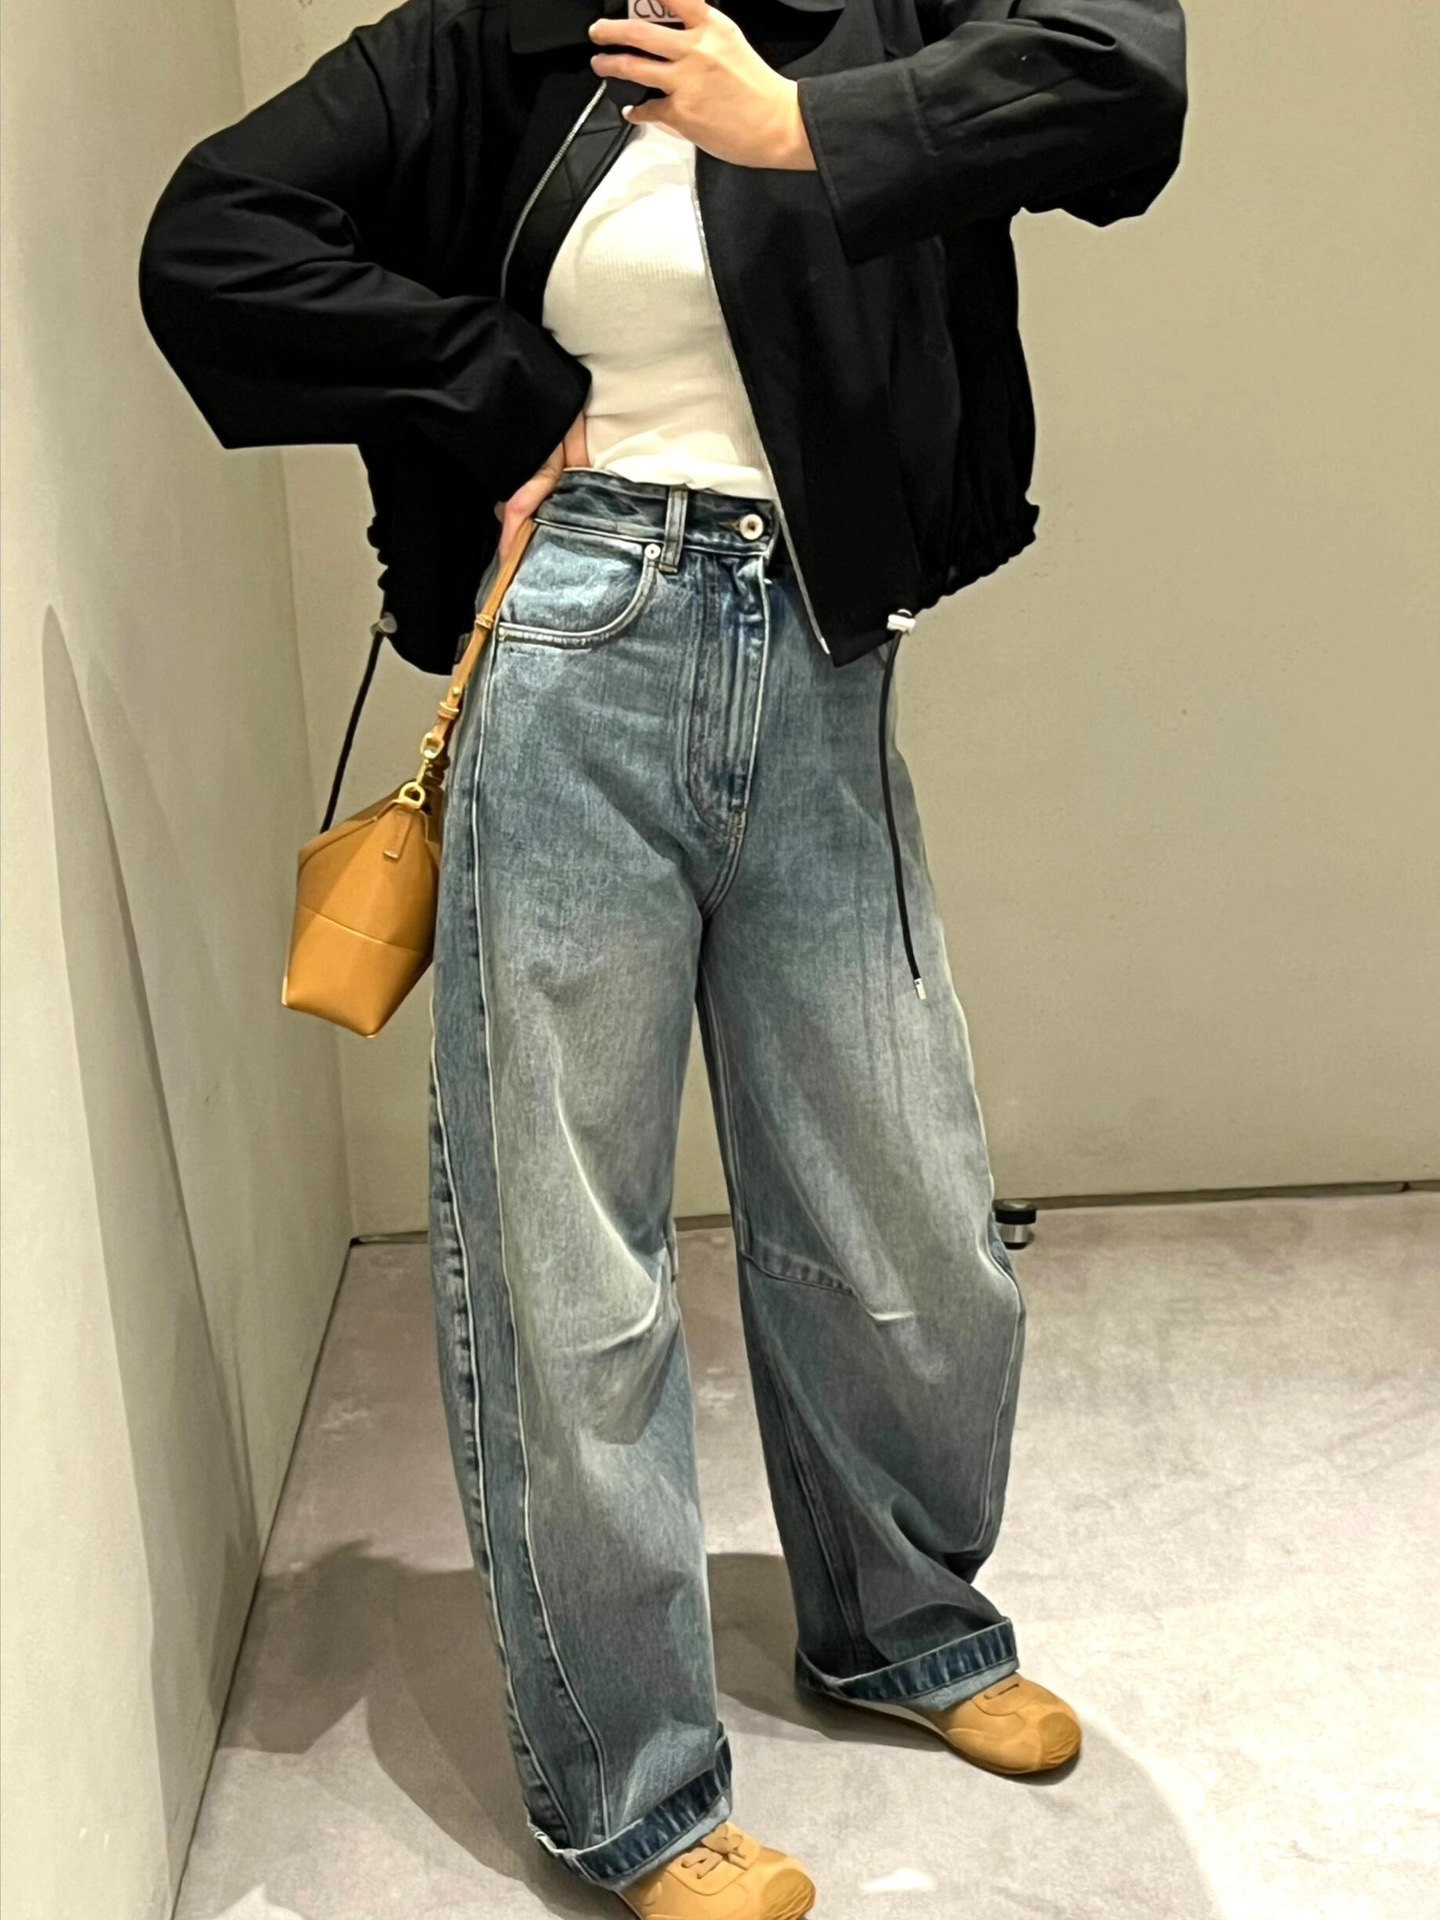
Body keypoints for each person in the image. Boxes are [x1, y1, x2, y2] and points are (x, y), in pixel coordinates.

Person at [139, 1, 1187, 1913]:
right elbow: (210, 238)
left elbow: (1128, 76)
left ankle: (902, 1622)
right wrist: (486, 386)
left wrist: (803, 123)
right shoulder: (489, 43)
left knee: (906, 1214)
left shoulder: (869, 23)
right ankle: (633, 1786)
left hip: (821, 660)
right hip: (575, 652)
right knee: (569, 1265)